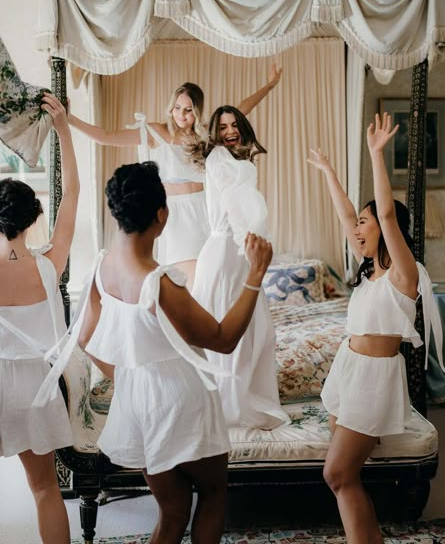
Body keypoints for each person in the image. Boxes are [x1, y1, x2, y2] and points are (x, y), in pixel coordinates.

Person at [34, 161, 272, 544]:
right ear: (162, 214)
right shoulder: (161, 283)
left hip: (138, 402)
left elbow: (88, 342)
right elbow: (224, 338)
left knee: (173, 510)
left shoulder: (100, 268)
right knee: (212, 494)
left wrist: (131, 374)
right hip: (183, 400)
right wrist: (255, 276)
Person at [307, 112, 445, 544]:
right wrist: (329, 172)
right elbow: (349, 213)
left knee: (337, 473)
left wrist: (375, 154)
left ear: (386, 233)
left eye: (364, 225)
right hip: (348, 370)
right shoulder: (367, 271)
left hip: (373, 378)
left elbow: (385, 213)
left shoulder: (404, 274)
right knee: (345, 477)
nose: (357, 229)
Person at [69, 66, 282, 288]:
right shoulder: (154, 133)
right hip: (176, 214)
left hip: (205, 210)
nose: (181, 114)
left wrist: (268, 86)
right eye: (178, 107)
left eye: (188, 110)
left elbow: (240, 111)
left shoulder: (205, 135)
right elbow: (106, 137)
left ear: (197, 112)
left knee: (211, 275)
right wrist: (70, 119)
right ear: (171, 107)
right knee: (187, 278)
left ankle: (211, 319)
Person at [0, 93, 79, 544]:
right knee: (46, 490)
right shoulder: (51, 263)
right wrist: (63, 130)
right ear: (34, 218)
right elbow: (73, 193)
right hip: (35, 386)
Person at [190, 106, 289, 429]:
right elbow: (233, 200)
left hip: (237, 250)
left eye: (235, 124)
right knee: (228, 328)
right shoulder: (218, 156)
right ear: (215, 133)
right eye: (223, 126)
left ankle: (239, 397)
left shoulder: (240, 160)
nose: (230, 131)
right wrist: (247, 242)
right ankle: (226, 404)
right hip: (227, 251)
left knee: (252, 328)